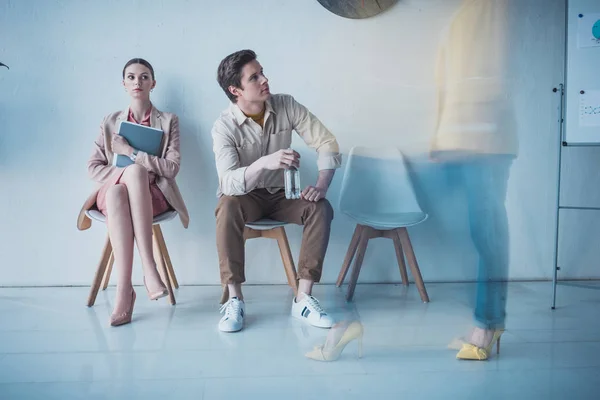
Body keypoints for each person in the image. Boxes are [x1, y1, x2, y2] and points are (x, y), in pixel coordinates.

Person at [211, 49, 342, 332]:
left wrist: (321, 185)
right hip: (247, 197)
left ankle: (303, 298)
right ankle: (234, 300)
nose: (265, 79)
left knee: (321, 207)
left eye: (262, 72)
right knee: (227, 205)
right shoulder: (224, 126)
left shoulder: (286, 104)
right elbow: (228, 183)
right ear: (236, 90)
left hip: (284, 195)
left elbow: (327, 142)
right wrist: (264, 163)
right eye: (254, 77)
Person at [431, 0, 517, 360]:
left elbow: (493, 76)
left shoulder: (494, 7)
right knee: (468, 234)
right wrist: (438, 139)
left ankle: (487, 323)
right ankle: (485, 318)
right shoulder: (460, 16)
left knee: (486, 235)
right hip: (456, 142)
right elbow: (445, 83)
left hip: (483, 143)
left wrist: (472, 135)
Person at [77, 58, 189, 327]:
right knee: (122, 185)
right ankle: (147, 270)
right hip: (112, 191)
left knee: (132, 177)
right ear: (123, 84)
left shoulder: (169, 121)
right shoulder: (110, 121)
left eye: (143, 76)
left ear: (153, 83)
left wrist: (131, 153)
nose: (137, 82)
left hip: (152, 196)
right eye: (131, 77)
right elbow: (93, 168)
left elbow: (171, 169)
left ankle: (125, 292)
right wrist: (125, 173)